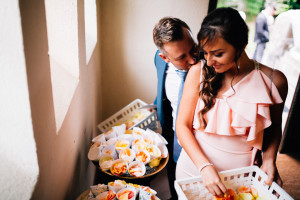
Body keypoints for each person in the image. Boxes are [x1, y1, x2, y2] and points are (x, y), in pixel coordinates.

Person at [176, 7, 288, 197]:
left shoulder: (274, 81)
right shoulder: (198, 72)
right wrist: (204, 167)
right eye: (205, 53)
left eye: (218, 54)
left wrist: (270, 160)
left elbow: (274, 127)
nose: (209, 61)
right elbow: (182, 126)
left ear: (241, 45)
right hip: (194, 171)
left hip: (241, 178)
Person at [152, 17, 198, 199]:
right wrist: (155, 106)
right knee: (174, 183)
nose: (193, 60)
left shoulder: (210, 65)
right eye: (181, 57)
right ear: (165, 58)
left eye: (193, 49)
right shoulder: (159, 61)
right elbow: (164, 91)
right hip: (172, 138)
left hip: (199, 143)